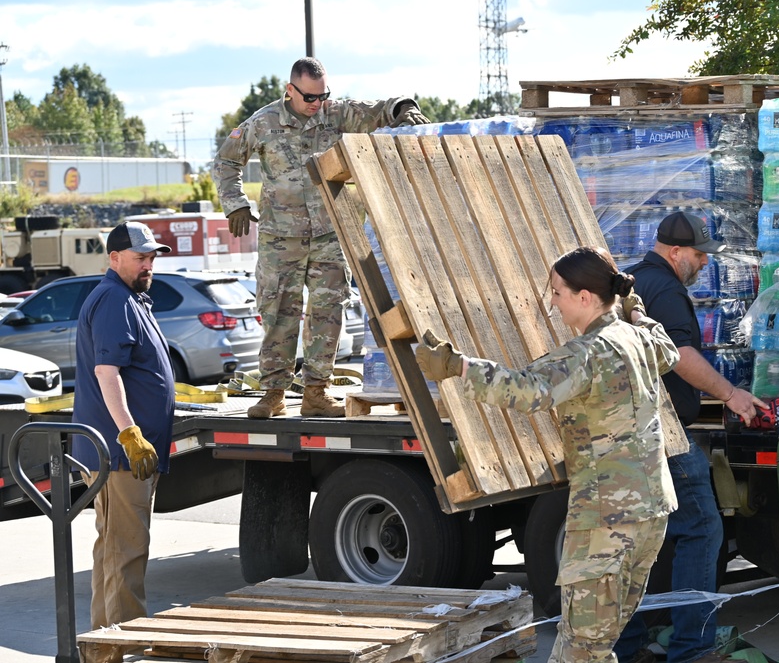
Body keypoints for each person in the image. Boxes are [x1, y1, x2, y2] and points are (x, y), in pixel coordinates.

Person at [416, 246, 688, 662]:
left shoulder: (588, 353)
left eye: (558, 292)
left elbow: (528, 389)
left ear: (584, 298)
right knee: (599, 641)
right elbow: (668, 350)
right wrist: (637, 311)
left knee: (582, 647)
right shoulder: (636, 339)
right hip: (651, 511)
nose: (552, 302)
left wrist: (460, 368)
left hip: (606, 518)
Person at [213, 56, 429, 419]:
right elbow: (226, 162)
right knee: (279, 310)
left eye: (322, 96)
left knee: (328, 312)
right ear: (290, 90)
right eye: (309, 97)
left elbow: (377, 110)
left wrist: (403, 106)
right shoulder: (263, 122)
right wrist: (235, 203)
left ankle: (316, 392)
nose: (316, 104)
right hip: (281, 237)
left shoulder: (335, 113)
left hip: (329, 233)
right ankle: (273, 394)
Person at [615, 211, 767, 663]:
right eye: (699, 255)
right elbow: (681, 356)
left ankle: (627, 645)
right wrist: (732, 394)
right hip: (663, 434)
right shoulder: (665, 289)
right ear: (676, 251)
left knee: (635, 539)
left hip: (630, 431)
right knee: (701, 528)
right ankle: (691, 647)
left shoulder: (637, 280)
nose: (704, 264)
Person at [72, 221, 175, 629]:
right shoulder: (114, 299)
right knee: (126, 548)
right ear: (114, 258)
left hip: (122, 452)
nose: (148, 265)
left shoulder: (130, 298)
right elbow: (106, 372)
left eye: (152, 258)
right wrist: (130, 434)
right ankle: (123, 640)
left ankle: (106, 640)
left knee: (115, 547)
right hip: (119, 455)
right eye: (140, 258)